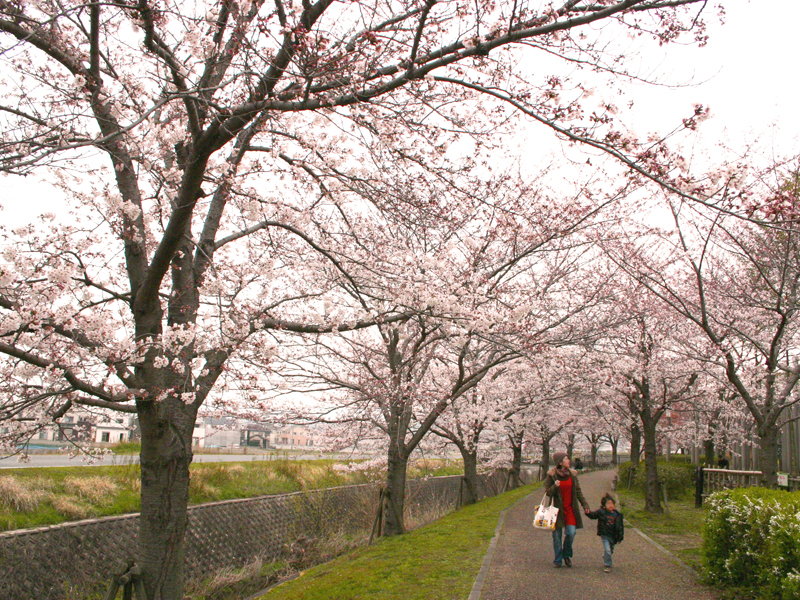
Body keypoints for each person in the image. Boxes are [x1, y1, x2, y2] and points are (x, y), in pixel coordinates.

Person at [544, 451, 590, 568]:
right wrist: (555, 486)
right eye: (566, 459)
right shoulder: (552, 475)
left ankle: (566, 554)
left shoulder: (572, 475)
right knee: (557, 536)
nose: (569, 461)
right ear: (560, 462)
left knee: (571, 532)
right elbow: (547, 492)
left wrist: (585, 505)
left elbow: (578, 492)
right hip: (556, 511)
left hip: (570, 509)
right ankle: (558, 560)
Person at [585, 493, 624, 573]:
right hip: (605, 535)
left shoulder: (618, 515)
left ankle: (606, 556)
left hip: (613, 536)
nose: (611, 505)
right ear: (604, 506)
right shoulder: (601, 512)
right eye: (608, 504)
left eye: (612, 504)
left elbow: (620, 527)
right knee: (608, 550)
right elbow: (593, 515)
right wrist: (588, 513)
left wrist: (620, 537)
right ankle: (607, 565)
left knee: (611, 550)